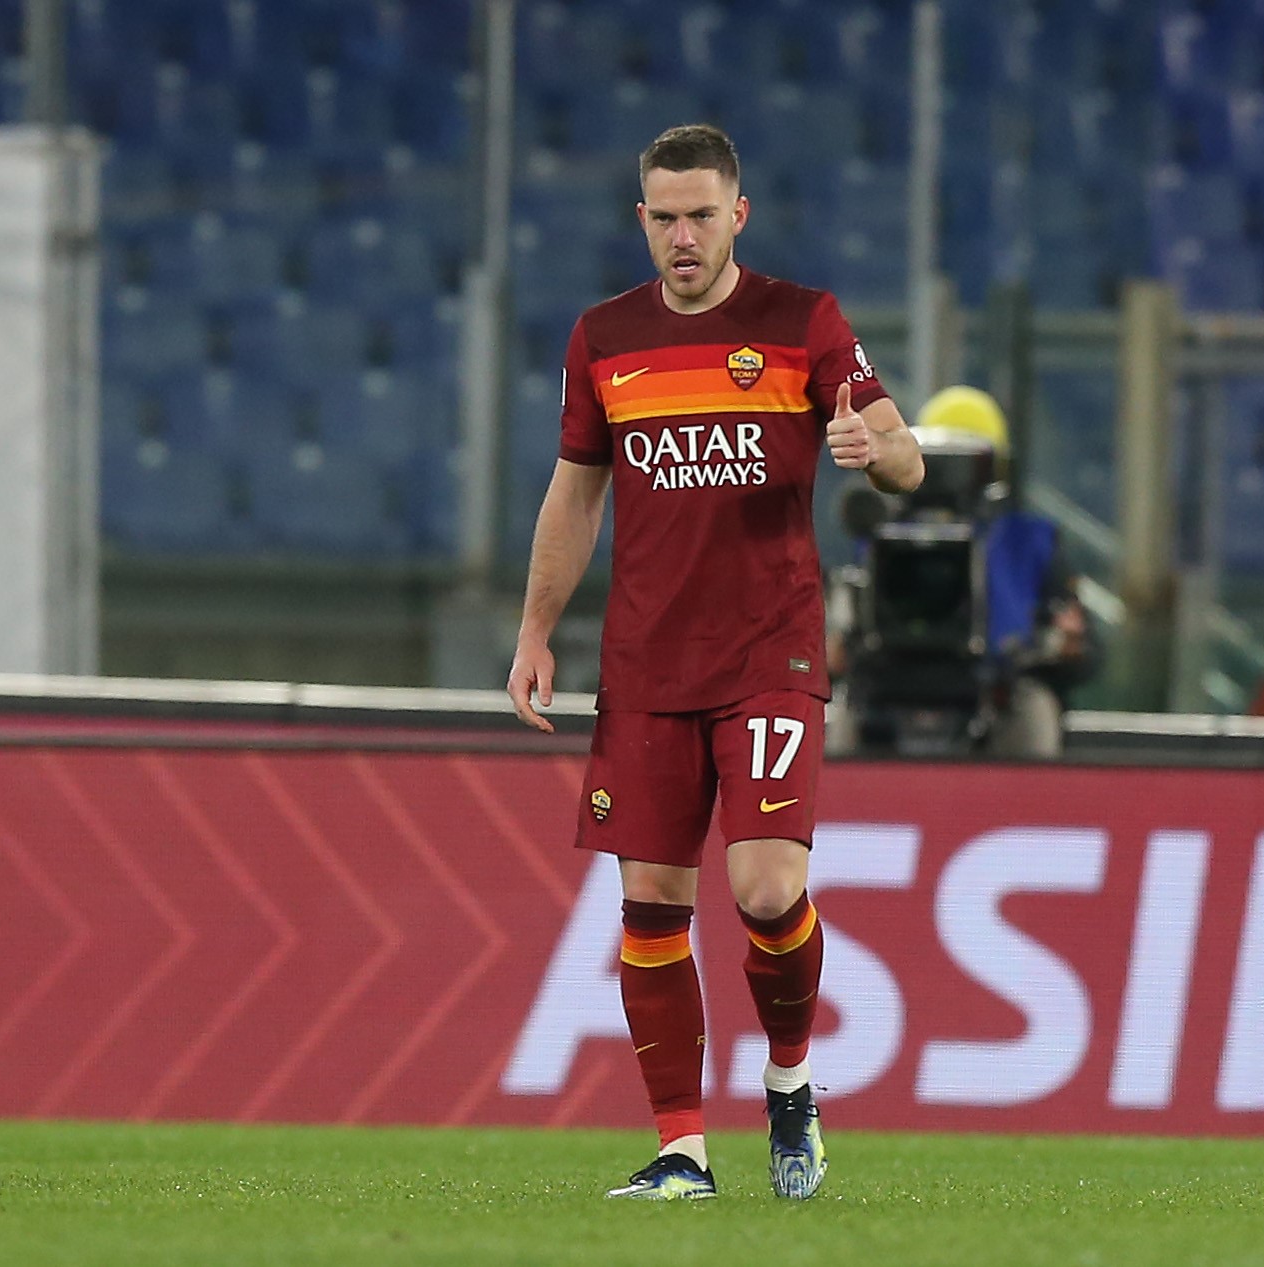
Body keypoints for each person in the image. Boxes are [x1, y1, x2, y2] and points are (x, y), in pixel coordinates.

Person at [506, 123, 923, 1201]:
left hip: (765, 652)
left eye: (700, 215)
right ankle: (682, 1150)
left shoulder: (800, 323)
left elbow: (904, 452)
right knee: (649, 903)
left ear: (737, 215)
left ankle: (789, 1082)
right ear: (638, 219)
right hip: (646, 661)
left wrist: (872, 452)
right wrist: (534, 630)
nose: (681, 236)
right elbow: (575, 493)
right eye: (663, 216)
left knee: (766, 884)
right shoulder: (603, 338)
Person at [824, 385, 1098, 758]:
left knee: (1035, 710)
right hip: (883, 683)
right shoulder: (880, 536)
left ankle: (1032, 799)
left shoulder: (1031, 542)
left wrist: (1069, 646)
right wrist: (833, 648)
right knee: (841, 717)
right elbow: (840, 639)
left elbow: (1084, 650)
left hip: (997, 690)